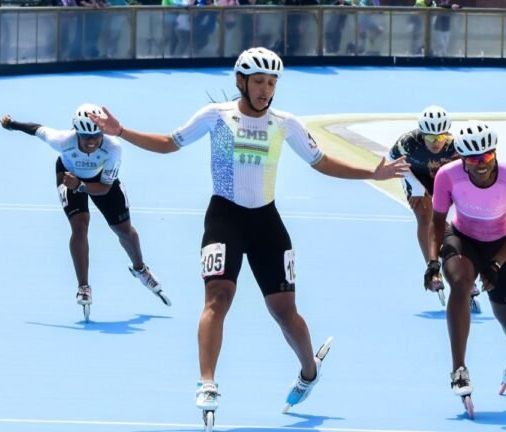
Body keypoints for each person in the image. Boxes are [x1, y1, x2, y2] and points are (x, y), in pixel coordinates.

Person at [87, 47, 409, 416]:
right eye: (258, 81)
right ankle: (207, 381)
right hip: (224, 218)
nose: (265, 89)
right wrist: (121, 131)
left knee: (284, 311)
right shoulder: (216, 116)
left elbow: (321, 162)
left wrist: (372, 173)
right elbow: (168, 143)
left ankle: (309, 370)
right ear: (241, 82)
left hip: (266, 224)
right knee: (218, 297)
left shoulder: (285, 123)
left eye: (271, 82)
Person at [0, 104, 171, 313]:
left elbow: (105, 188)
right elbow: (37, 129)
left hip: (101, 181)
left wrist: (81, 185)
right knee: (79, 226)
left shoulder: (114, 148)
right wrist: (12, 124)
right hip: (68, 176)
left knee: (124, 231)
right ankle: (83, 286)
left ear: (103, 132)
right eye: (85, 136)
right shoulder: (62, 140)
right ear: (76, 133)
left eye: (96, 136)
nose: (91, 141)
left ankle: (140, 269)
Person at [424, 121, 506, 401]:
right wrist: (433, 262)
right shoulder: (447, 176)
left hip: (502, 244)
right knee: (460, 284)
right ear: (462, 160)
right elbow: (437, 221)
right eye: (473, 160)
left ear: (495, 154)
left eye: (486, 156)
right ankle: (459, 369)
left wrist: (496, 263)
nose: (481, 164)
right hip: (463, 238)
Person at [388, 105, 481, 313]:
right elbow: (392, 161)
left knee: (457, 221)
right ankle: (433, 271)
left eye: (440, 137)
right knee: (424, 216)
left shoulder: (456, 145)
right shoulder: (408, 142)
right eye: (430, 138)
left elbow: (467, 172)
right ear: (422, 133)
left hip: (443, 179)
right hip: (416, 178)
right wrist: (416, 188)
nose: (436, 142)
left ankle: (464, 268)